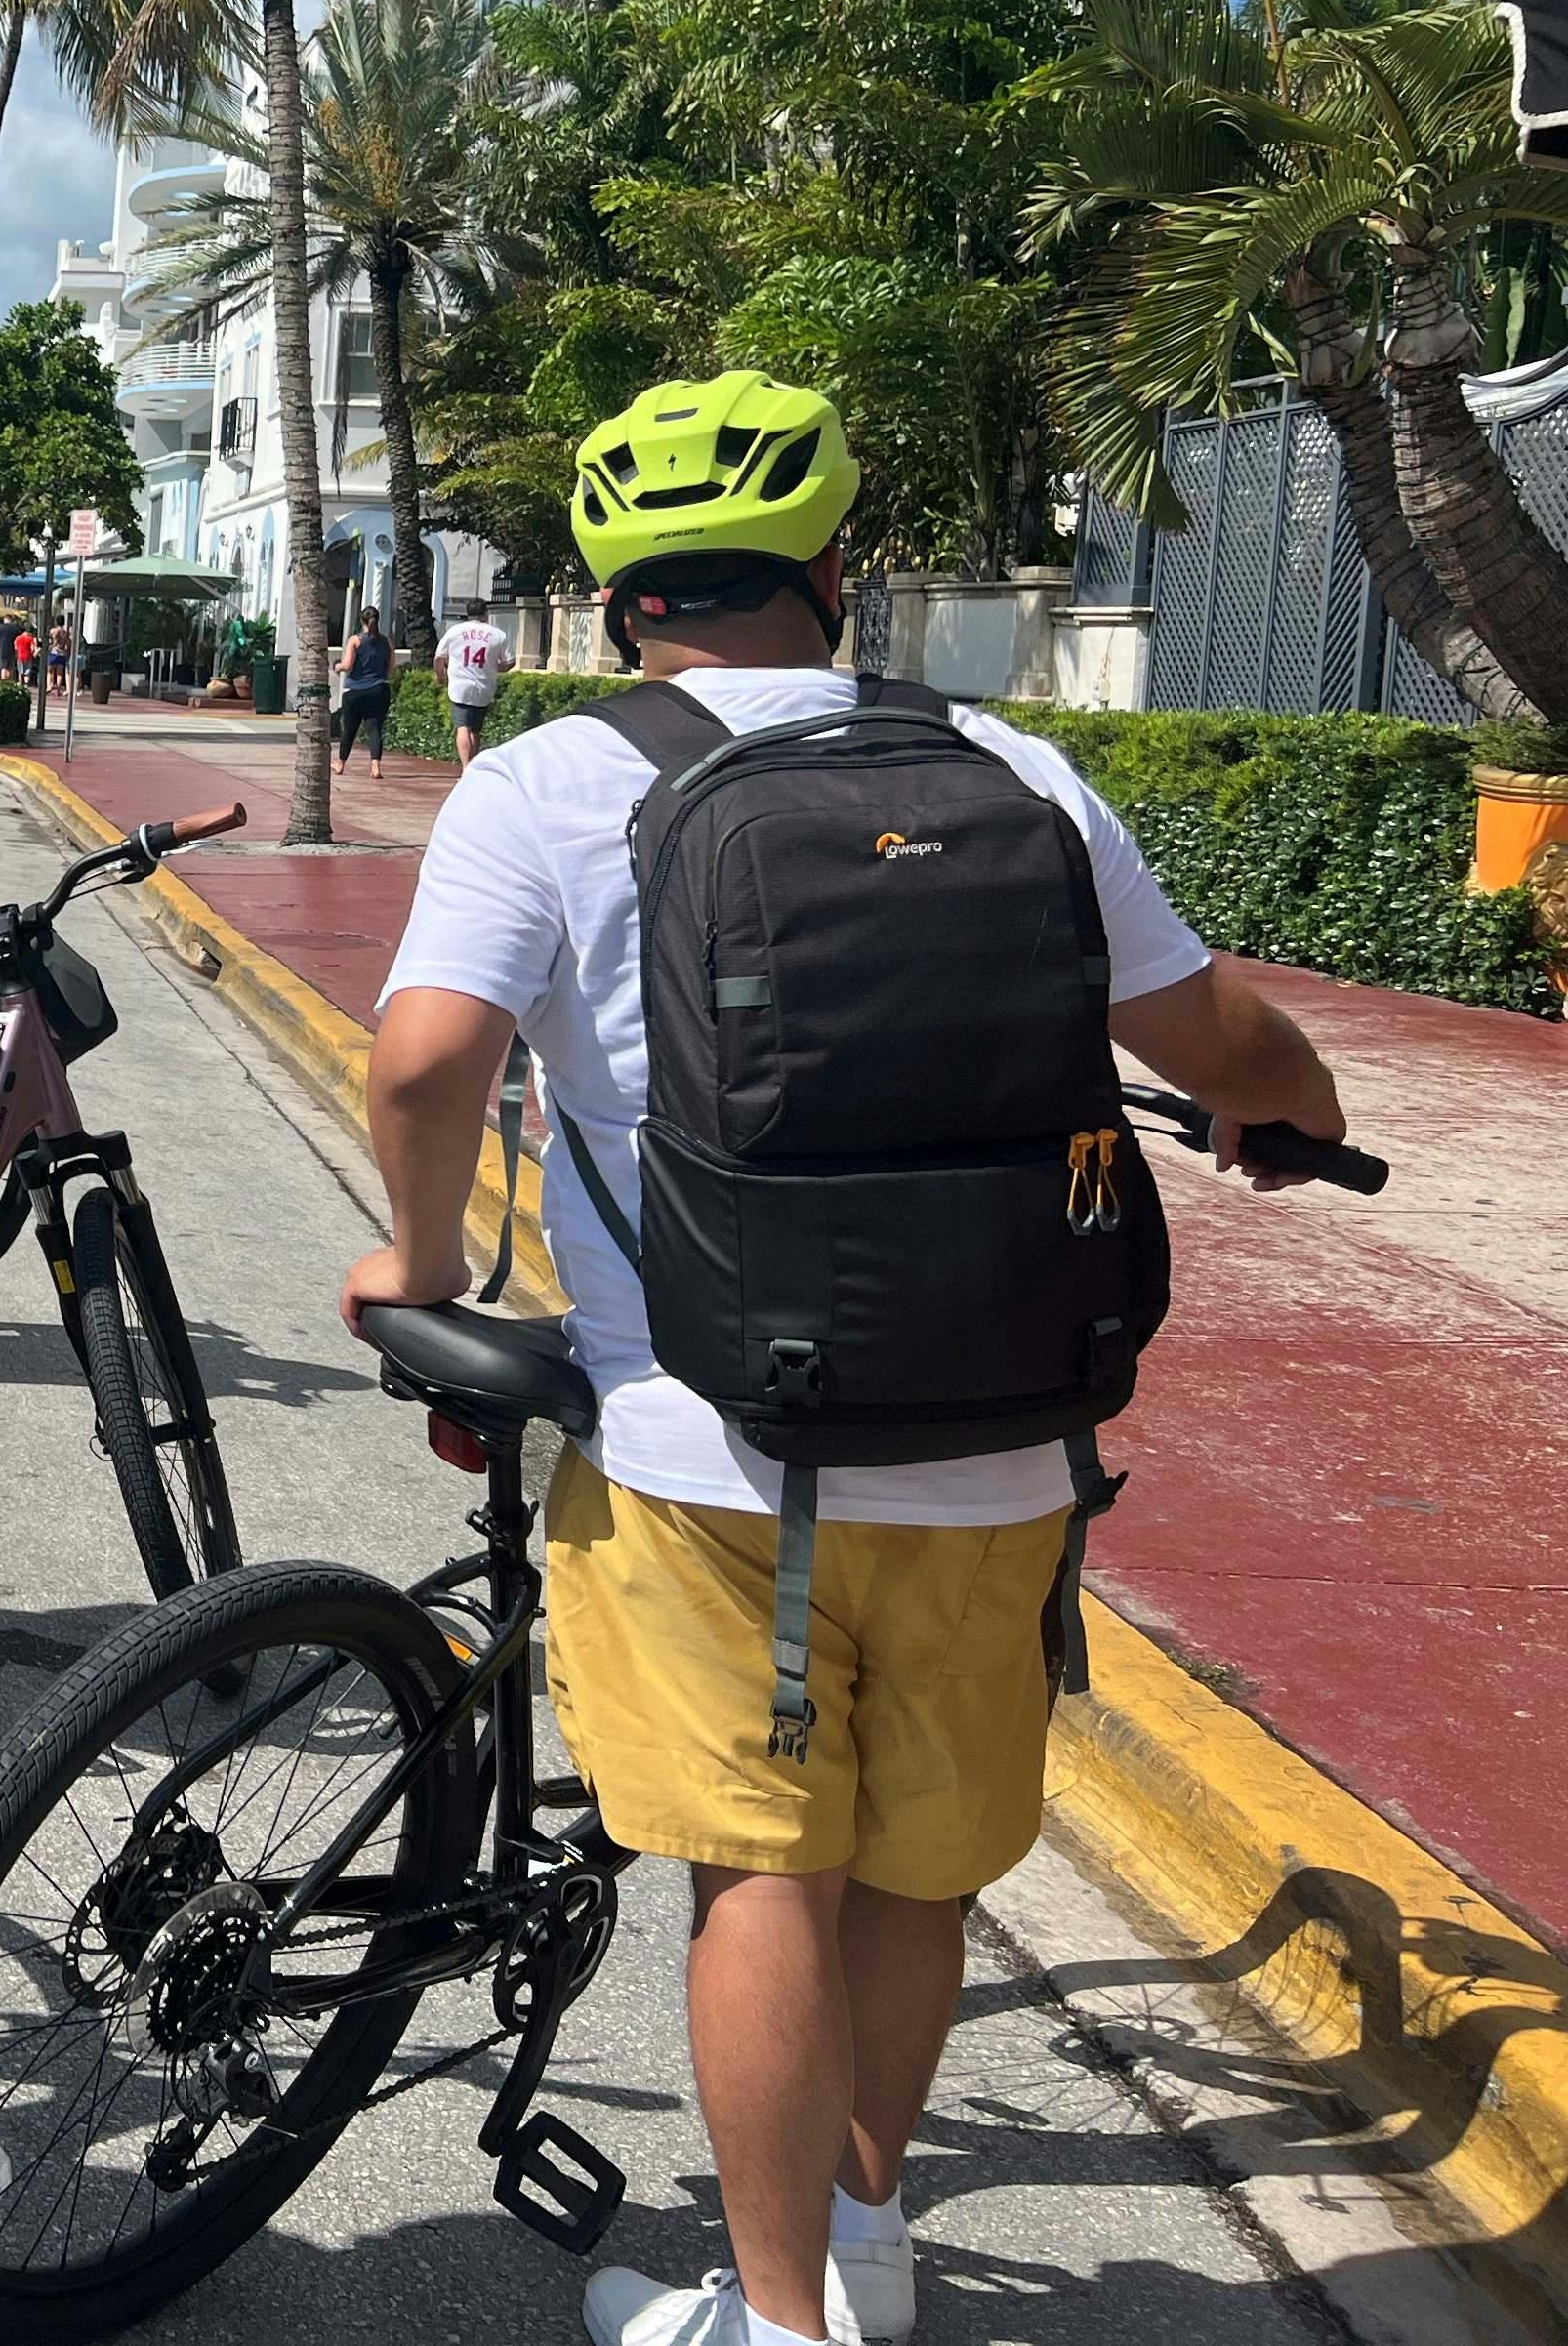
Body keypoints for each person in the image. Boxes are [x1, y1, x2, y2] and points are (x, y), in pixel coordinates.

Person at [340, 371, 1346, 2346]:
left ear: (621, 591)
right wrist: (1286, 1102)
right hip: (998, 1444)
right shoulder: (1018, 772)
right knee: (913, 1876)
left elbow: (426, 1054)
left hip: (702, 1445)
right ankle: (869, 2257)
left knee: (759, 1879)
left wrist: (423, 1249)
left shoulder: (546, 785)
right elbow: (1219, 1041)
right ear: (833, 566)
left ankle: (782, 2323)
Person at [435, 594, 514, 763]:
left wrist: (441, 676)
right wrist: (493, 667)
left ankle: (465, 767)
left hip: (459, 686)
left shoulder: (455, 631)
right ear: (486, 614)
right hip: (484, 687)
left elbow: (439, 657)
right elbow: (509, 662)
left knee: (462, 727)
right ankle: (473, 764)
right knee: (476, 730)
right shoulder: (497, 634)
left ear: (467, 613)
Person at [333, 608, 393, 777]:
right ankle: (375, 766)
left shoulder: (355, 640)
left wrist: (336, 667)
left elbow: (347, 665)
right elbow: (391, 668)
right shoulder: (387, 642)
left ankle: (340, 764)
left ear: (362, 621)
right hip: (379, 690)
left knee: (350, 729)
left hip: (355, 691)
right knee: (374, 729)